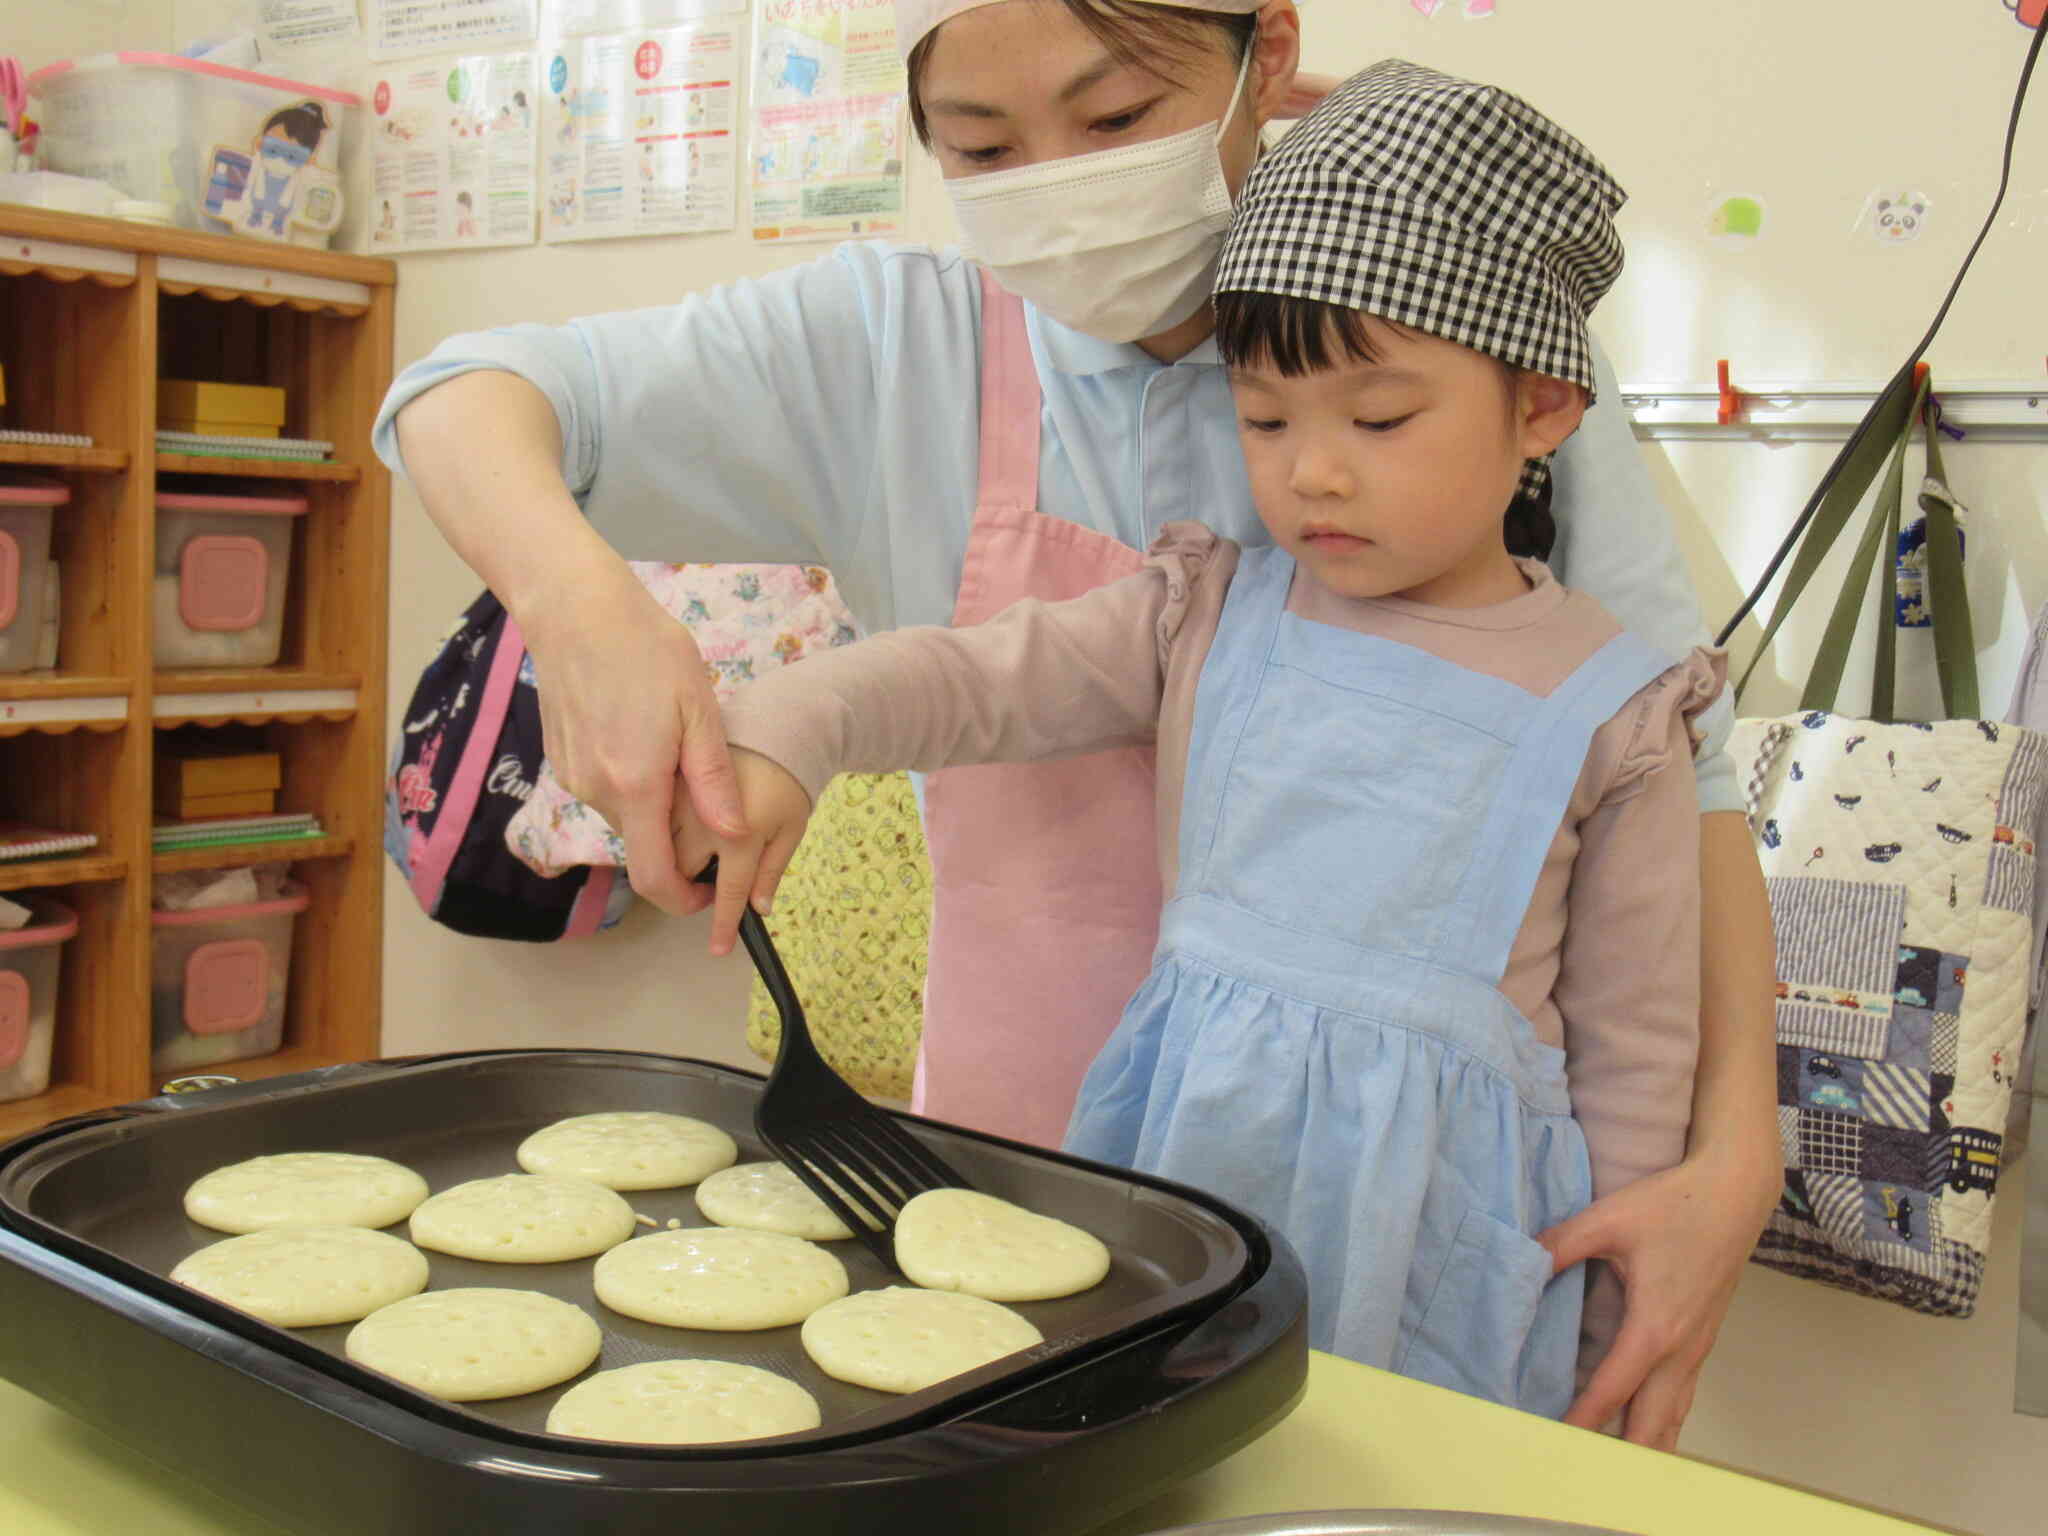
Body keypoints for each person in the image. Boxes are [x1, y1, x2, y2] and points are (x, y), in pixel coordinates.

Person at [374, 0, 1778, 1444]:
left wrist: (1726, 1159)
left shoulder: (1442, 311)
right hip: (1037, 1146)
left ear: (1265, 57)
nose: (1061, 181)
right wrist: (597, 619)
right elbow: (463, 396)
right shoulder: (906, 353)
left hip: (1431, 1206)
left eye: (1115, 123)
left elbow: (1678, 806)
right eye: (982, 147)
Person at [669, 59, 1712, 1418]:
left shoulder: (1614, 709)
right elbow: (975, 681)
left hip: (1444, 1242)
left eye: (1380, 418)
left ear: (1542, 410)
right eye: (1265, 417)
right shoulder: (1208, 611)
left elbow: (1636, 1053)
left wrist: (1602, 1335)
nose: (1311, 470)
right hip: (1178, 1175)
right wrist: (795, 723)